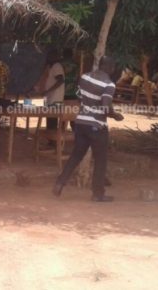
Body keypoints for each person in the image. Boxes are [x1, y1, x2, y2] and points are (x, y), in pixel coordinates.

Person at [52, 56, 124, 202]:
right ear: (111, 68)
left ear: (100, 65)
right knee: (100, 160)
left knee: (76, 155)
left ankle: (60, 183)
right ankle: (98, 193)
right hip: (96, 125)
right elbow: (105, 106)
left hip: (81, 122)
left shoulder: (84, 77)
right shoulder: (108, 84)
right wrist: (115, 115)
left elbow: (79, 97)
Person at [41, 49, 65, 131]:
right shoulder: (51, 66)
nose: (47, 58)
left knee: (53, 120)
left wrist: (48, 91)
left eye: (49, 56)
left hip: (55, 98)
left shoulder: (57, 66)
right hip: (51, 98)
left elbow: (60, 80)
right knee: (50, 119)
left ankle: (53, 141)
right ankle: (51, 140)